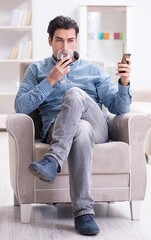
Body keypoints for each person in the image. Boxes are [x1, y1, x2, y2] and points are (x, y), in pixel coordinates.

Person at [15, 15, 132, 236]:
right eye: (59, 40)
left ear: (76, 41)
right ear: (50, 41)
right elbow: (20, 107)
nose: (65, 46)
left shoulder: (94, 70)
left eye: (70, 40)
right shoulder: (36, 70)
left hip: (97, 127)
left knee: (75, 94)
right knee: (80, 130)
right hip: (56, 129)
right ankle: (83, 213)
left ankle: (52, 160)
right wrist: (50, 80)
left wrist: (124, 83)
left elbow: (119, 107)